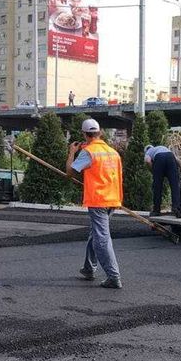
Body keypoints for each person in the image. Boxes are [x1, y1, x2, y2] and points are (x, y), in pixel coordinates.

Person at [67, 118, 124, 289]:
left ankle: (113, 276)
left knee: (101, 239)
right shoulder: (112, 152)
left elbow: (70, 171)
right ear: (99, 133)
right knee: (96, 233)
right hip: (112, 198)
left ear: (85, 134)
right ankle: (89, 268)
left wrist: (71, 152)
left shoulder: (89, 152)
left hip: (98, 200)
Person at [144, 143, 181, 217]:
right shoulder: (164, 148)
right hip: (170, 157)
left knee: (157, 186)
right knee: (175, 186)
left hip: (159, 159)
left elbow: (148, 161)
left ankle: (156, 210)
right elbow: (177, 160)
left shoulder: (148, 152)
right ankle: (176, 207)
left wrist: (153, 170)